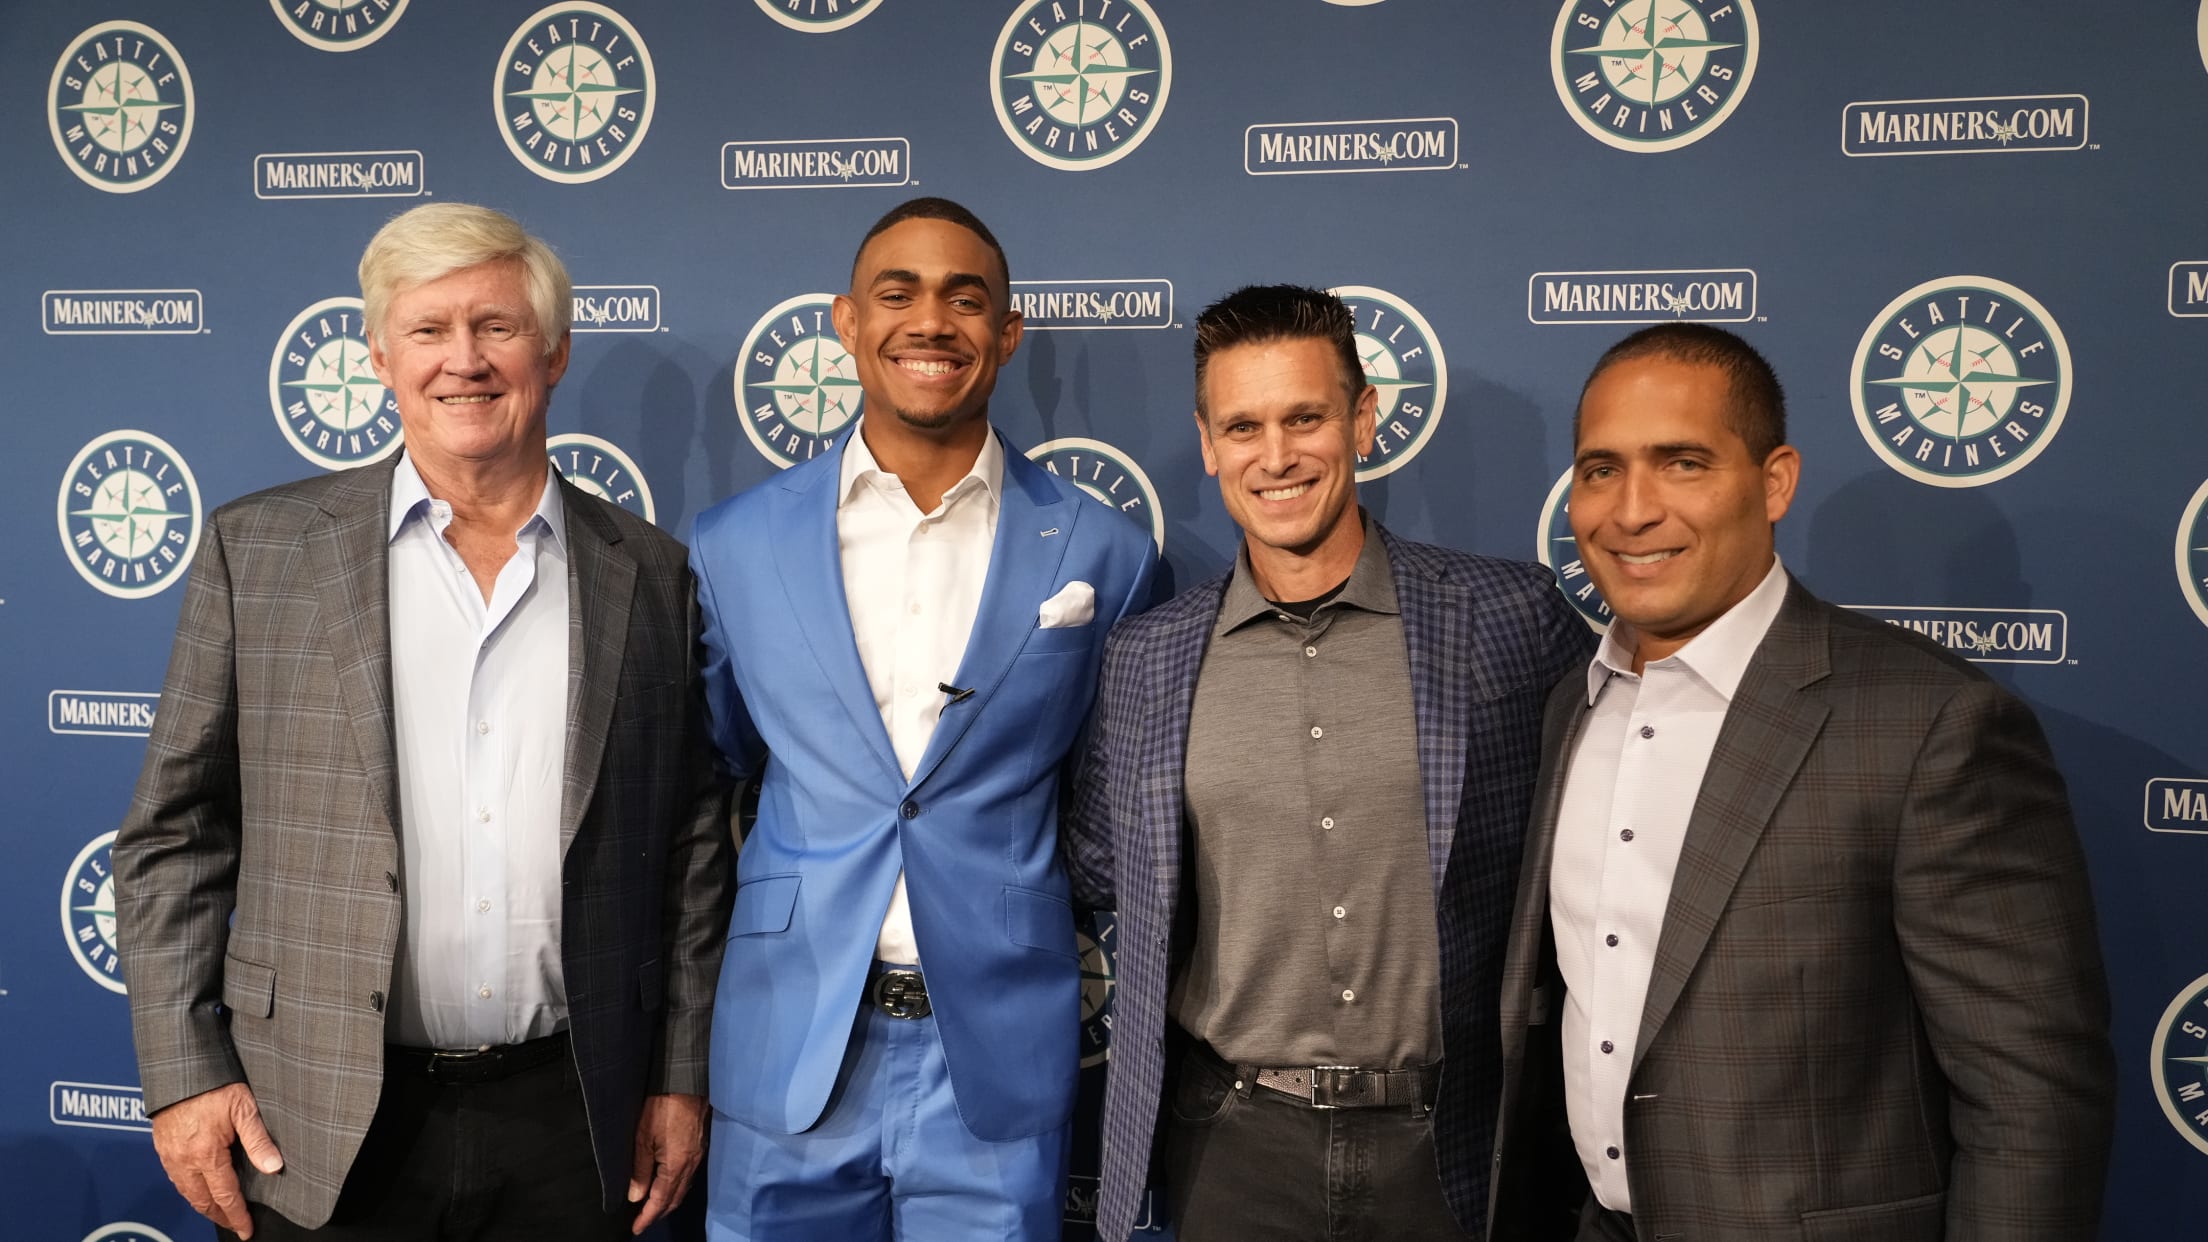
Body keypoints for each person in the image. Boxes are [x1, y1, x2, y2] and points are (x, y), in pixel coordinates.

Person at [114, 202, 733, 1240]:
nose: (465, 361)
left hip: (577, 1119)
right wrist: (181, 1076)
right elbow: (173, 837)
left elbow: (691, 850)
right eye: (429, 331)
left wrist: (679, 1074)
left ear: (554, 351)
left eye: (495, 327)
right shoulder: (257, 552)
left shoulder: (653, 574)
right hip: (312, 1116)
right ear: (379, 357)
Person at [1488, 323, 2115, 1242]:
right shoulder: (1568, 707)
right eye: (1600, 469)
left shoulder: (1928, 724)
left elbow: (2033, 1102)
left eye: (1683, 463)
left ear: (1774, 480)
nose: (1632, 510)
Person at [1063, 284, 1594, 1241]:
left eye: (1305, 417)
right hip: (1230, 1145)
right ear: (1208, 441)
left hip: (1456, 1143)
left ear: (1363, 418)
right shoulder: (1146, 659)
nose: (1275, 456)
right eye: (1243, 425)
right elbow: (1103, 865)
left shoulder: (1509, 619)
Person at [687, 196, 1157, 1240]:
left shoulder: (1104, 555)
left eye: (965, 297)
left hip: (996, 1062)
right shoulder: (734, 544)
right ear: (847, 322)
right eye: (897, 294)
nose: (931, 322)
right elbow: (716, 765)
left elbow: (1109, 791)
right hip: (789, 1050)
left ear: (1008, 332)